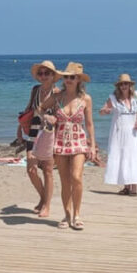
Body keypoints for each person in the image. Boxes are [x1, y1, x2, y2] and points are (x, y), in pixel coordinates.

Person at [39, 62, 97, 230]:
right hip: (60, 141)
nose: (68, 80)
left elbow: (90, 124)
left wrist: (92, 145)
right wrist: (46, 118)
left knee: (76, 177)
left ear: (79, 79)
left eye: (72, 77)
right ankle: (66, 214)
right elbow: (40, 108)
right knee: (65, 181)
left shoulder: (86, 99)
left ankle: (77, 214)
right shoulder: (57, 96)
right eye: (66, 77)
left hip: (79, 141)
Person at [20, 60, 60, 217]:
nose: (43, 76)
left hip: (49, 134)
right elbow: (28, 110)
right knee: (31, 169)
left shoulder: (57, 93)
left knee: (48, 170)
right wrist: (19, 129)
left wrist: (49, 117)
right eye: (41, 73)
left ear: (53, 76)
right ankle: (43, 198)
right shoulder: (35, 90)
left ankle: (46, 205)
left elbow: (59, 116)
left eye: (47, 73)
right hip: (33, 132)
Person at [98, 74, 137, 196]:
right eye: (121, 84)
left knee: (134, 157)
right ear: (118, 86)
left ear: (130, 85)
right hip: (119, 133)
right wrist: (105, 111)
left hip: (133, 133)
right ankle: (126, 187)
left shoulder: (136, 96)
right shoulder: (113, 98)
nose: (124, 86)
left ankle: (134, 188)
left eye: (126, 84)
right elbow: (102, 111)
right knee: (123, 157)